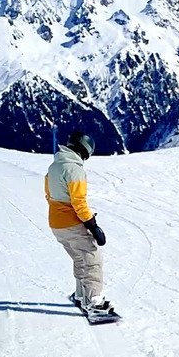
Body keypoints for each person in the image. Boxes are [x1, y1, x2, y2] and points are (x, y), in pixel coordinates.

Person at [45, 131, 115, 315]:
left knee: (79, 257)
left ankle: (80, 296)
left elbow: (48, 195)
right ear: (84, 151)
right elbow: (79, 202)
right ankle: (94, 302)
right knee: (92, 259)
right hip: (70, 223)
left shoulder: (55, 166)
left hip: (56, 223)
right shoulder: (74, 169)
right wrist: (92, 225)